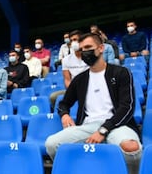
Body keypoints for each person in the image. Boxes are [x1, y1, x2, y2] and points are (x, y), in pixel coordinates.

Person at [45, 33, 141, 174]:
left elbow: (127, 107)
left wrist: (103, 130)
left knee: (131, 149)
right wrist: (65, 115)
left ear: (101, 48)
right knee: (51, 144)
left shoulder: (121, 72)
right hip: (88, 125)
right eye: (82, 49)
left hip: (117, 124)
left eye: (89, 47)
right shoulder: (79, 80)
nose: (85, 52)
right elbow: (63, 103)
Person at [49, 30, 89, 109]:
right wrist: (73, 91)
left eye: (75, 40)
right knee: (53, 97)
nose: (73, 43)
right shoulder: (66, 60)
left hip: (89, 88)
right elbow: (67, 80)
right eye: (71, 41)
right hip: (74, 89)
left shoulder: (89, 56)